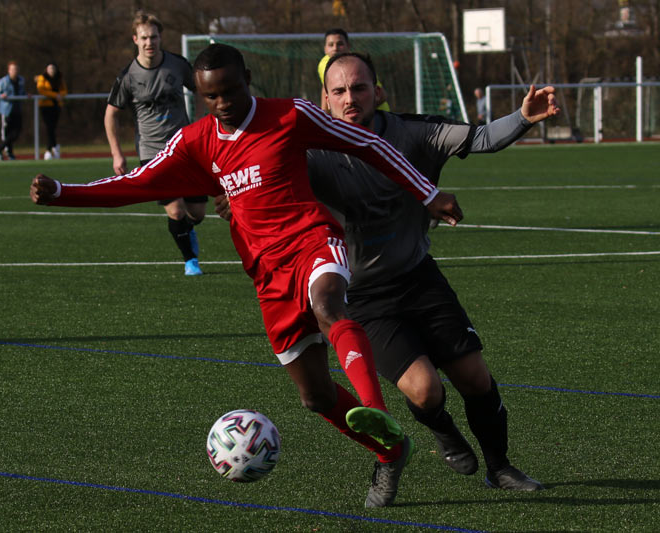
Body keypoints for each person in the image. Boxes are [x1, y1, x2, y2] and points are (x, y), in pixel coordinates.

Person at [31, 43, 465, 507]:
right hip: (267, 276)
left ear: (248, 79)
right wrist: (63, 192)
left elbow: (368, 143)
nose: (222, 103)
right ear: (199, 95)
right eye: (210, 96)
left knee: (328, 304)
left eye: (230, 91)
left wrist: (427, 193)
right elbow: (137, 182)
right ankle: (391, 450)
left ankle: (375, 410)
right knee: (316, 397)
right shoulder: (195, 141)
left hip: (313, 242)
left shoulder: (290, 115)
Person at [312, 53, 558, 491]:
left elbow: (482, 138)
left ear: (378, 92)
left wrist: (523, 117)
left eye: (360, 88)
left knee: (475, 377)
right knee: (426, 391)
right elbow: (262, 178)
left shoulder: (413, 132)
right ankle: (443, 430)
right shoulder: (311, 153)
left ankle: (500, 468)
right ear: (325, 100)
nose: (350, 98)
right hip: (364, 298)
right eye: (340, 91)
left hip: (418, 276)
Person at [105, 11, 205, 276]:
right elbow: (110, 114)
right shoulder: (128, 76)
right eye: (144, 38)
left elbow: (202, 90)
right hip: (152, 151)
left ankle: (188, 229)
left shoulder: (178, 65)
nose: (150, 42)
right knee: (175, 210)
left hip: (185, 146)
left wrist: (202, 123)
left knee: (197, 212)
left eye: (154, 37)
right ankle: (190, 260)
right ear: (135, 40)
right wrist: (117, 154)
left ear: (160, 38)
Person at [317, 29, 389, 112]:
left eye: (340, 44)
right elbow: (325, 88)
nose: (335, 48)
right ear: (325, 49)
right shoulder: (323, 64)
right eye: (330, 45)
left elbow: (382, 96)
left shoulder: (358, 64)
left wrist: (357, 111)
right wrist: (324, 114)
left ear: (348, 46)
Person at [0, 61, 26, 161]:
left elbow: (22, 92)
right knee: (8, 133)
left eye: (16, 69)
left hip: (17, 109)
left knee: (16, 133)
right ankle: (9, 153)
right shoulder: (3, 81)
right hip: (7, 111)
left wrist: (26, 95)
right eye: (13, 69)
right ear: (9, 70)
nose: (15, 71)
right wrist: (1, 96)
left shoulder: (21, 80)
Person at [35, 62, 67, 160]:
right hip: (45, 106)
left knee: (53, 127)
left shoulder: (59, 78)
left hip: (56, 106)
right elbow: (41, 90)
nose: (51, 70)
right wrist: (55, 95)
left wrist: (60, 95)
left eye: (53, 68)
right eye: (50, 68)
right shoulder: (42, 78)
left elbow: (64, 90)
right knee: (49, 127)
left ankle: (52, 148)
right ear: (46, 69)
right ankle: (51, 148)